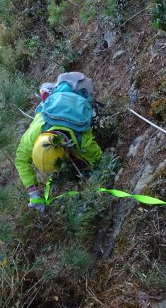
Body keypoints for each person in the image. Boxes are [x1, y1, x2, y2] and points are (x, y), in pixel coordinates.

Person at [15, 72, 103, 212]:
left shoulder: (83, 140)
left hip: (82, 85)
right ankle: (52, 92)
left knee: (87, 108)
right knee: (42, 109)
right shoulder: (32, 135)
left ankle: (55, 93)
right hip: (54, 103)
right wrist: (33, 192)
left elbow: (99, 161)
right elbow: (20, 160)